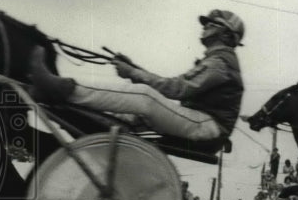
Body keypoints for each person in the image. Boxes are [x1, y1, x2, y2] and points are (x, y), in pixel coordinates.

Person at [28, 9, 245, 143]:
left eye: (212, 23)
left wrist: (133, 73)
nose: (205, 26)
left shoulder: (221, 62)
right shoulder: (217, 60)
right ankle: (54, 98)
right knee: (118, 113)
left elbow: (176, 89)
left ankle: (60, 89)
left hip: (209, 126)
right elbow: (175, 88)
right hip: (199, 120)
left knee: (145, 97)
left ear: (227, 35)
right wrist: (134, 69)